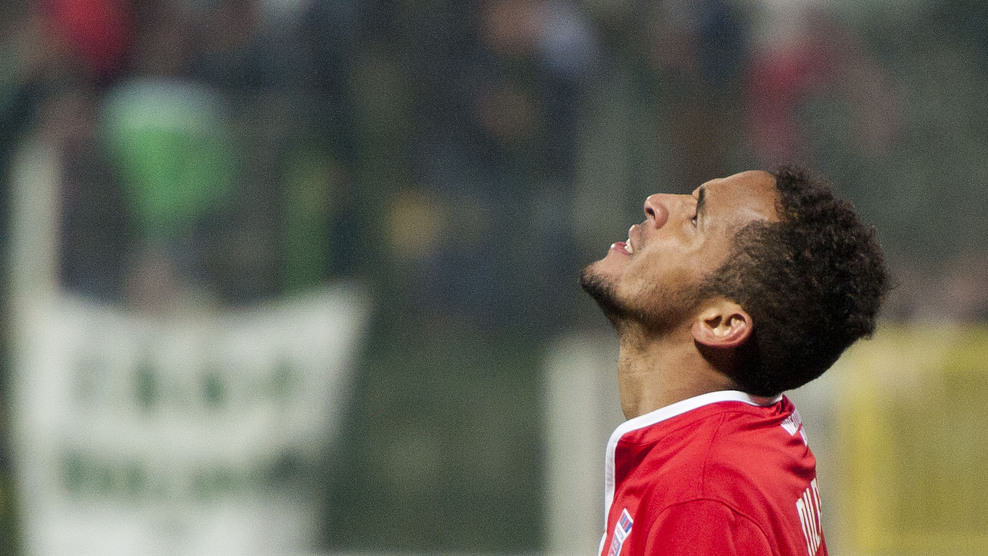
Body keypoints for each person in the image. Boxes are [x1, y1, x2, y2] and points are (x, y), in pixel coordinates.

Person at [579, 166, 888, 555]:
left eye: (695, 219)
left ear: (720, 323)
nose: (656, 203)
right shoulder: (747, 441)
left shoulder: (699, 501)